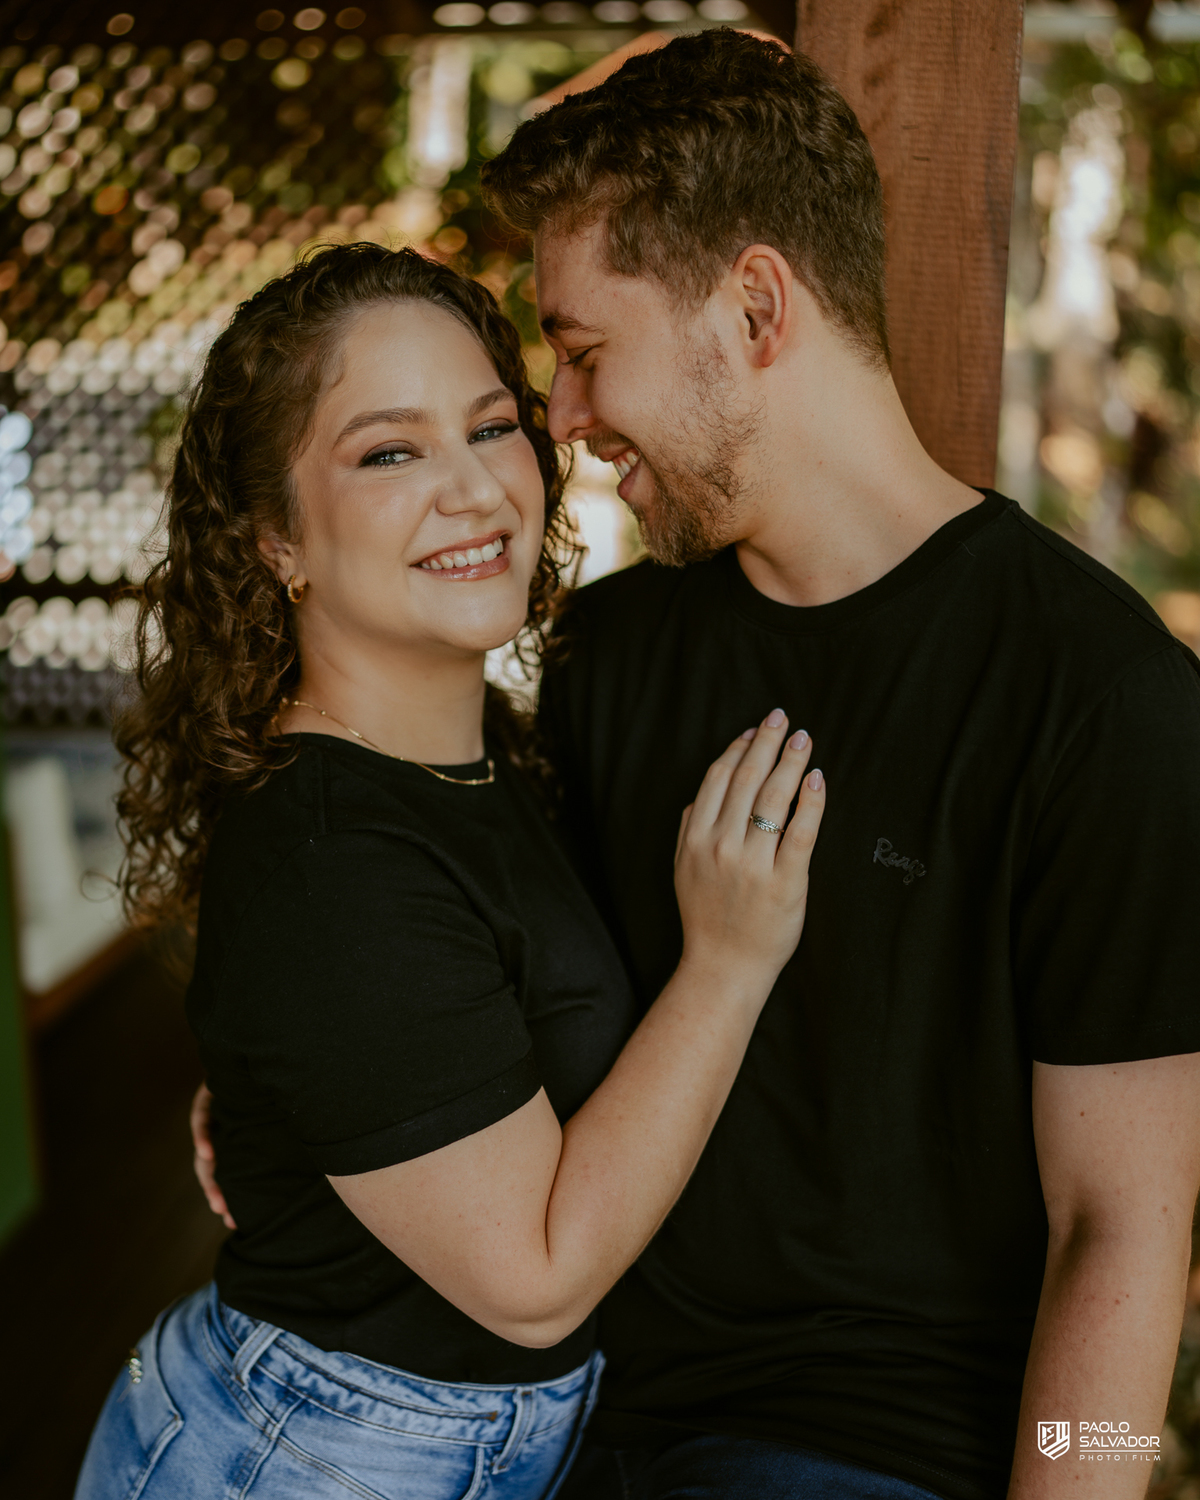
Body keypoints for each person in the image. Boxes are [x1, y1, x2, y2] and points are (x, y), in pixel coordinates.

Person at [476, 26, 1200, 1500]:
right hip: (561, 1421)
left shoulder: (1103, 697)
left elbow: (1128, 1230)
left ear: (754, 306)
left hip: (861, 1455)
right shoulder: (611, 654)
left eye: (581, 353)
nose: (563, 422)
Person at [76, 242, 828, 1500]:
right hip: (296, 1462)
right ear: (275, 541)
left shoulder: (494, 763)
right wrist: (731, 962)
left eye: (492, 427)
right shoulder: (333, 851)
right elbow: (532, 1282)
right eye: (388, 451)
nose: (474, 489)